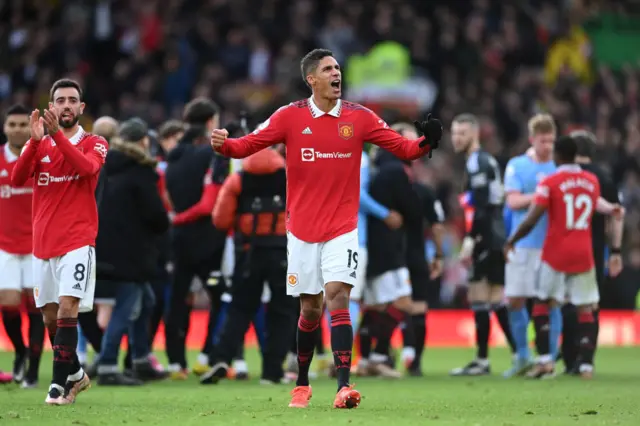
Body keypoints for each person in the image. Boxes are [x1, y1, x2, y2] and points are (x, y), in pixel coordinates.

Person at [210, 48, 442, 409]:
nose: (337, 74)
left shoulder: (360, 117)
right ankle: (301, 384)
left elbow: (406, 149)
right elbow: (249, 146)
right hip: (301, 229)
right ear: (311, 79)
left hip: (342, 226)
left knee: (338, 296)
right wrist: (225, 145)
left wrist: (427, 140)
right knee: (310, 310)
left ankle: (343, 386)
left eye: (338, 68)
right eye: (328, 69)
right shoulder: (289, 117)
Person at [11, 78, 109, 405]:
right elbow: (17, 177)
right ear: (51, 106)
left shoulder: (94, 141)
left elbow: (86, 169)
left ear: (81, 108)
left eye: (72, 101)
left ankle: (57, 387)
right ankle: (77, 375)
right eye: (60, 100)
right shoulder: (37, 143)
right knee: (50, 318)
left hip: (78, 239)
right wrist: (37, 142)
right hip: (43, 243)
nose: (66, 105)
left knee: (69, 307)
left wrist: (55, 137)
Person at [504, 135, 623, 379]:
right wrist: (612, 209)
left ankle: (546, 360)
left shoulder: (551, 181)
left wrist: (512, 240)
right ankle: (587, 365)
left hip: (555, 253)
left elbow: (532, 218)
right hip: (584, 253)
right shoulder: (591, 181)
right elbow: (600, 204)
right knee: (586, 307)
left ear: (558, 156)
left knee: (542, 303)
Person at [200, 147, 297, 384]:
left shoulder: (238, 180)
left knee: (240, 309)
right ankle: (272, 371)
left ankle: (221, 358)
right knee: (283, 311)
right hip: (284, 252)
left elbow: (220, 220)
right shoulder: (291, 177)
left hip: (248, 253)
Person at [94, 118, 170, 385]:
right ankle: (107, 365)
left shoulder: (104, 168)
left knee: (146, 301)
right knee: (126, 307)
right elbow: (156, 215)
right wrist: (164, 225)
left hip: (104, 246)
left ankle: (140, 359)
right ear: (143, 142)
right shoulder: (140, 171)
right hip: (133, 251)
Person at [449, 113, 517, 376]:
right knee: (493, 298)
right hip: (493, 235)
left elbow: (482, 206)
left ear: (474, 135)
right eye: (454, 133)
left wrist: (471, 238)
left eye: (462, 134)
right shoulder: (482, 161)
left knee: (480, 295)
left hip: (486, 236)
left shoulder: (478, 162)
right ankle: (517, 353)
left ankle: (485, 359)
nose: (457, 138)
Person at [165, 98, 225, 378]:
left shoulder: (173, 155)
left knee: (178, 297)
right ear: (211, 122)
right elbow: (209, 203)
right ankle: (207, 355)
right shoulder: (211, 155)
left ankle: (176, 362)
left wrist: (176, 218)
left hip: (178, 239)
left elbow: (166, 197)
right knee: (219, 296)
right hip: (206, 237)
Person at [559, 130, 624, 374]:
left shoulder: (562, 176)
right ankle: (586, 359)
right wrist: (615, 251)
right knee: (590, 305)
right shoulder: (604, 178)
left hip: (564, 248)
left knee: (565, 303)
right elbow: (616, 217)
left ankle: (568, 357)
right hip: (593, 249)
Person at [502, 114, 557, 378]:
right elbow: (512, 202)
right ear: (532, 139)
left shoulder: (558, 167)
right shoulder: (516, 165)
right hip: (521, 244)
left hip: (550, 245)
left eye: (551, 141)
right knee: (514, 300)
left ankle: (549, 358)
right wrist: (543, 196)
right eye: (543, 141)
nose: (548, 146)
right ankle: (522, 355)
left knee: (550, 301)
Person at [391, 122, 445, 376]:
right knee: (415, 307)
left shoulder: (382, 185)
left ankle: (383, 354)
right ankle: (414, 361)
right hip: (408, 254)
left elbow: (436, 226)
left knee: (391, 306)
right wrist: (438, 255)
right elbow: (436, 226)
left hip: (396, 255)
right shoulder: (422, 191)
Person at [0, 105, 45, 388]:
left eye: (22, 124)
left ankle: (33, 370)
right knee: (8, 304)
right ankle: (20, 351)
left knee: (37, 306)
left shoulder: (40, 158)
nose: (17, 129)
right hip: (4, 246)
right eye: (12, 124)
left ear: (30, 128)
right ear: (5, 128)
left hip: (37, 246)